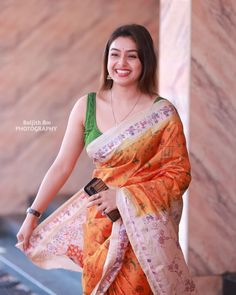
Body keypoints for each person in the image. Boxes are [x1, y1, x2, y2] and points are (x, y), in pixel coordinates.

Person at [16, 24, 197, 294]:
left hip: (144, 226)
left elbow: (178, 174)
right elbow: (62, 166)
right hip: (100, 224)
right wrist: (33, 215)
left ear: (145, 61)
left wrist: (124, 197)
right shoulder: (86, 106)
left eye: (132, 56)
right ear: (106, 59)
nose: (121, 63)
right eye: (115, 54)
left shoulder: (163, 114)